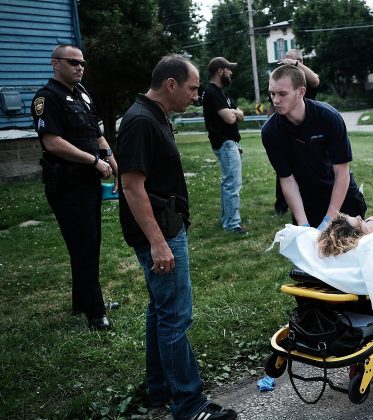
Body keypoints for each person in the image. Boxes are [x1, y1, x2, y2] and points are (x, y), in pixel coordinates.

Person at [117, 54, 237, 420]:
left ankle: (159, 390)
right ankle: (189, 405)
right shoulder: (140, 121)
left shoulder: (154, 116)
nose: (196, 95)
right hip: (161, 234)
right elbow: (131, 187)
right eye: (192, 88)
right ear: (170, 85)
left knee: (160, 312)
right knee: (175, 318)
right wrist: (158, 242)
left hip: (167, 228)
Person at [31, 44, 118, 331]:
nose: (80, 67)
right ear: (55, 63)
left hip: (88, 182)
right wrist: (93, 161)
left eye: (82, 62)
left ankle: (82, 301)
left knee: (90, 244)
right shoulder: (47, 98)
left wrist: (111, 161)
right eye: (73, 62)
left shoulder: (82, 94)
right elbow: (52, 142)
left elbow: (97, 133)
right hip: (66, 184)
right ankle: (96, 313)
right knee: (84, 245)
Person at [262, 64, 366, 230]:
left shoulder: (328, 117)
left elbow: (342, 172)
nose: (275, 100)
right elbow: (287, 179)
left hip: (342, 197)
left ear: (301, 92)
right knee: (309, 252)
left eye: (282, 94)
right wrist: (303, 224)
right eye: (272, 93)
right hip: (307, 200)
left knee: (349, 251)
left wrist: (329, 220)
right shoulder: (270, 131)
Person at [271, 49, 321, 215]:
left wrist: (296, 64)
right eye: (286, 60)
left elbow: (315, 80)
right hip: (286, 130)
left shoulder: (305, 80)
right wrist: (272, 127)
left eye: (291, 61)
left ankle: (310, 199)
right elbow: (273, 106)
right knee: (284, 170)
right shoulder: (280, 82)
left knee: (310, 166)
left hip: (309, 130)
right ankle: (282, 204)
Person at [202, 57, 247, 235]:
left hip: (230, 143)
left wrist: (234, 112)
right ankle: (232, 224)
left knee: (227, 183)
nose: (231, 72)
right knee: (232, 184)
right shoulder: (212, 92)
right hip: (225, 143)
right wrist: (234, 113)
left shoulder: (222, 93)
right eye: (228, 69)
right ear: (220, 71)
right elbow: (230, 118)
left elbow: (240, 115)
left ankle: (226, 219)